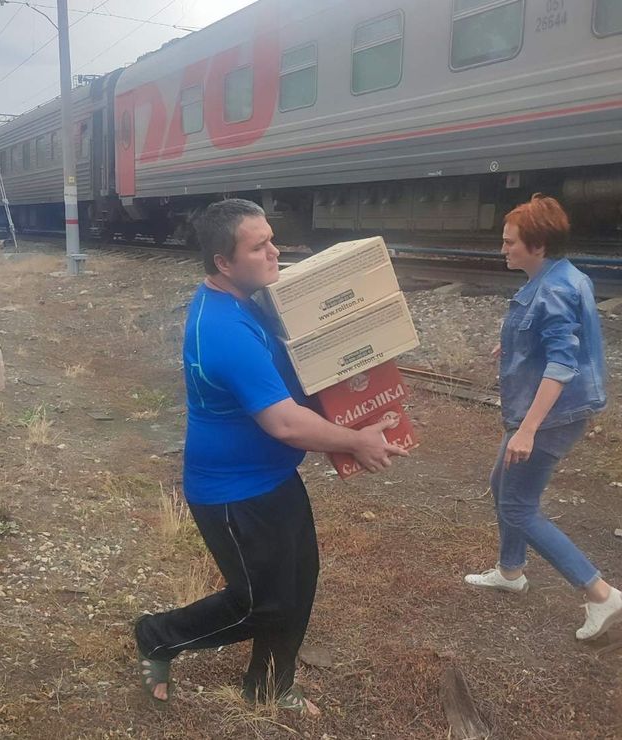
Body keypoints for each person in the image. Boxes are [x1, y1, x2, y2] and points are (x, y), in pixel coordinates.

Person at [134, 199, 409, 715]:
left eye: (272, 239)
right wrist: (355, 441)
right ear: (223, 262)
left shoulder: (247, 300)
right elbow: (283, 422)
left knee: (298, 585)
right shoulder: (223, 329)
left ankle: (269, 687)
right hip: (232, 493)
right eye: (259, 246)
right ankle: (157, 636)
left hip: (274, 476)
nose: (275, 251)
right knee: (260, 603)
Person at [464, 194, 620, 640]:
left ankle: (601, 594)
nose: (503, 248)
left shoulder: (553, 290)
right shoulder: (563, 276)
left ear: (538, 245)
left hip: (551, 415)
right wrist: (515, 343)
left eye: (510, 242)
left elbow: (562, 363)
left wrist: (528, 430)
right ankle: (510, 572)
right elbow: (558, 338)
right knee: (502, 486)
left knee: (517, 505)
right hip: (550, 409)